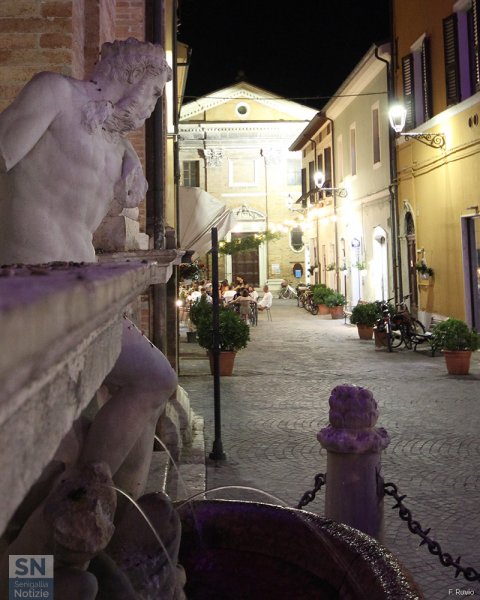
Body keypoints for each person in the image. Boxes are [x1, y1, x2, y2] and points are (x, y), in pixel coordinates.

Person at [0, 37, 178, 584]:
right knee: (45, 459)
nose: (151, 108)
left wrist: (132, 169)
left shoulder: (118, 149)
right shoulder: (54, 94)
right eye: (154, 93)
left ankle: (88, 502)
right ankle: (31, 579)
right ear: (132, 75)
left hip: (88, 293)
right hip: (33, 289)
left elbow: (94, 219)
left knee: (154, 381)